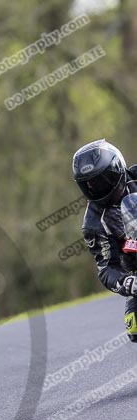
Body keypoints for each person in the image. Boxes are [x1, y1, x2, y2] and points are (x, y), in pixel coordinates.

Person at [72, 139, 137, 340]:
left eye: (101, 180)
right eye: (89, 184)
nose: (95, 187)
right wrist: (127, 282)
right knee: (135, 327)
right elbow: (107, 267)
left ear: (116, 170)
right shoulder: (94, 224)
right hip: (135, 263)